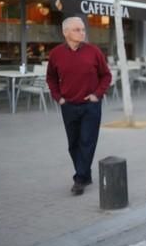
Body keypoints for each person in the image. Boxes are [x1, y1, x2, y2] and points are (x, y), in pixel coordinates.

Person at [46, 16, 111, 196]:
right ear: (65, 32)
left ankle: (80, 178)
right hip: (68, 105)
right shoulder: (56, 54)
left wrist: (97, 95)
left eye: (83, 29)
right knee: (73, 144)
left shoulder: (94, 51)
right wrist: (58, 97)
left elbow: (106, 76)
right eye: (77, 29)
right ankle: (86, 174)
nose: (82, 32)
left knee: (87, 142)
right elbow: (51, 77)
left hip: (90, 106)